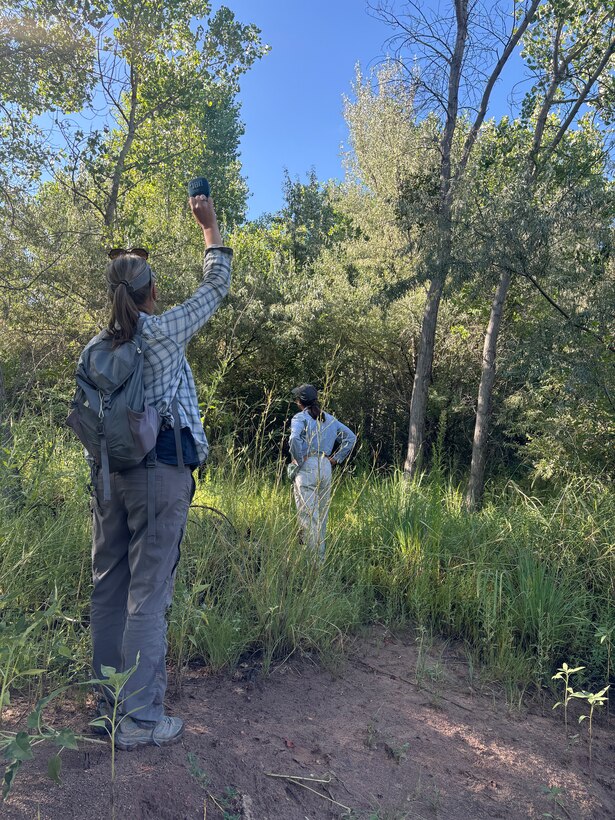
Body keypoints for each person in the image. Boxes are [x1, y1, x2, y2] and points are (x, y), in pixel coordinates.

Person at [86, 195, 232, 750]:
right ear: (151, 292)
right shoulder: (162, 332)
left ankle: (108, 710)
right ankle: (142, 719)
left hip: (109, 480)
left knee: (108, 590)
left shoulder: (94, 348)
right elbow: (215, 287)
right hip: (159, 472)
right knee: (148, 592)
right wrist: (209, 227)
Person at [288, 384, 356, 559]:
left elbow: (294, 438)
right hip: (325, 466)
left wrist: (298, 458)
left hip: (307, 465)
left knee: (308, 517)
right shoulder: (329, 419)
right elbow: (351, 437)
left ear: (299, 401)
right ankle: (318, 558)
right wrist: (336, 458)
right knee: (321, 518)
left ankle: (313, 563)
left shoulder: (299, 418)